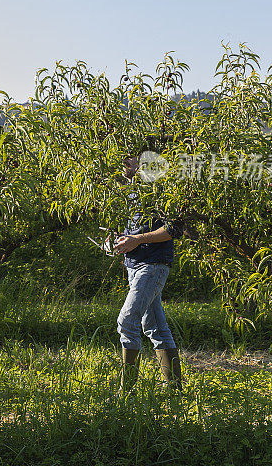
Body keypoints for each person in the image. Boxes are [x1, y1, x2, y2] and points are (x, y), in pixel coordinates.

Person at [111, 153, 184, 396]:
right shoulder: (129, 193)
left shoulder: (160, 190)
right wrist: (116, 241)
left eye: (128, 159)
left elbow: (173, 229)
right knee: (154, 326)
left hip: (153, 265)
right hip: (134, 266)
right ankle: (174, 390)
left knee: (127, 320)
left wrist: (137, 240)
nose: (124, 164)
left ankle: (126, 394)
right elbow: (128, 232)